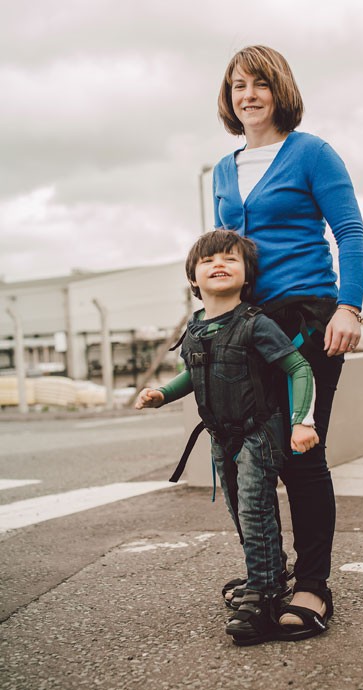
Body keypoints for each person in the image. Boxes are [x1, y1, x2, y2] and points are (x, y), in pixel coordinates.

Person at [213, 45, 363, 638]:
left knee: (302, 451)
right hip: (246, 325)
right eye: (236, 87)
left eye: (258, 84)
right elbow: (224, 252)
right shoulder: (225, 171)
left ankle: (314, 586)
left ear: (279, 90)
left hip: (307, 314)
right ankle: (268, 574)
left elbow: (350, 232)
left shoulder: (312, 153)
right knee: (251, 453)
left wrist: (349, 306)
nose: (247, 95)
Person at [135, 229, 320, 645]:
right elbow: (193, 370)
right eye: (208, 261)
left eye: (230, 259)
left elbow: (299, 368)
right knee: (241, 510)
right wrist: (163, 393)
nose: (218, 264)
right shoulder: (197, 326)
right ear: (193, 278)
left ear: (248, 276)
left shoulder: (256, 324)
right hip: (221, 435)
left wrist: (302, 422)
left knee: (255, 510)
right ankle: (268, 573)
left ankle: (265, 594)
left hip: (259, 431)